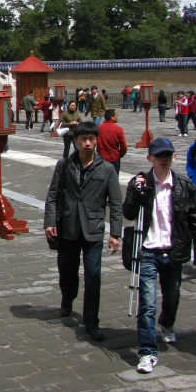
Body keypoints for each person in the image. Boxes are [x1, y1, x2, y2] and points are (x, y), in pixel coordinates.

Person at [123, 138, 196, 373]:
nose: (164, 159)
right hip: (149, 250)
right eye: (159, 155)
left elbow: (195, 220)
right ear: (150, 159)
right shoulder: (140, 183)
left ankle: (167, 324)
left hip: (174, 251)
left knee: (172, 297)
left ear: (174, 157)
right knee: (147, 304)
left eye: (168, 154)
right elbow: (128, 212)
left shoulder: (185, 186)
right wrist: (137, 194)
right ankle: (147, 351)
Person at [44, 122, 122, 341]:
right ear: (76, 141)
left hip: (93, 230)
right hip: (68, 228)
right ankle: (68, 298)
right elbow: (52, 195)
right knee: (67, 273)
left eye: (92, 139)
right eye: (83, 139)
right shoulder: (64, 165)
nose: (88, 143)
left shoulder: (106, 169)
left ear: (96, 140)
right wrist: (50, 222)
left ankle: (91, 320)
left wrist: (115, 233)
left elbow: (116, 203)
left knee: (94, 276)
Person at [97, 109, 128, 175]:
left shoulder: (98, 128)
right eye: (116, 115)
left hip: (101, 158)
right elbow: (124, 146)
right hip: (114, 158)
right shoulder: (118, 129)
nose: (117, 117)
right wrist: (120, 154)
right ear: (112, 117)